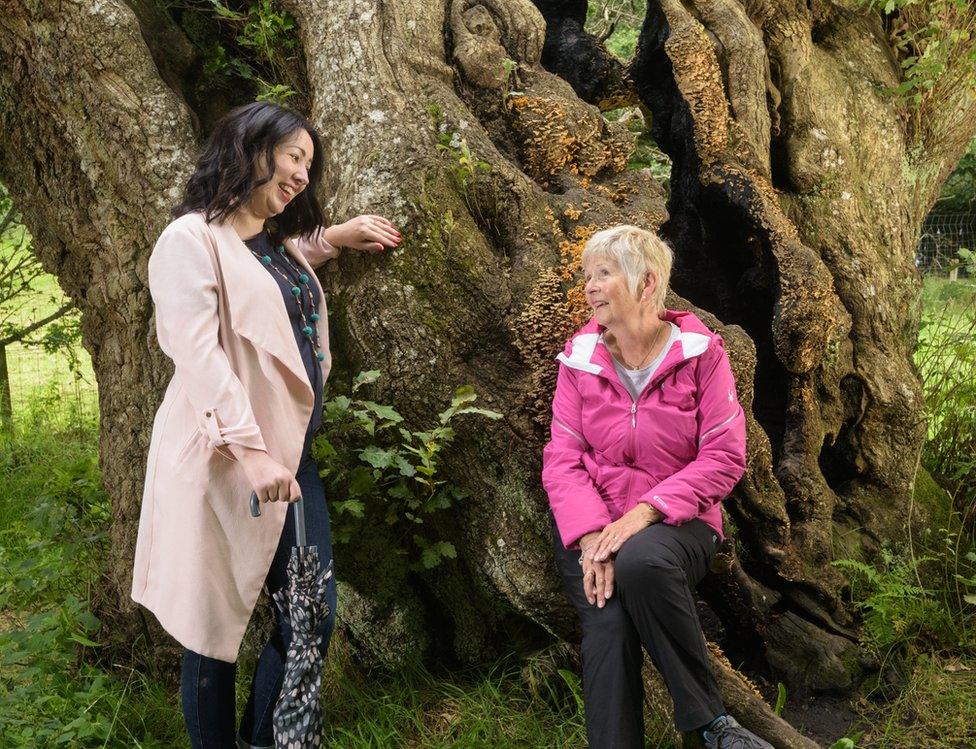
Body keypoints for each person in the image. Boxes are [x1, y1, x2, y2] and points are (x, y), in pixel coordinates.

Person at [131, 101, 400, 748]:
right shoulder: (188, 239)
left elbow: (269, 268)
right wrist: (250, 450)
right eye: (294, 157)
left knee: (311, 616)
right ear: (252, 150)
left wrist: (332, 239)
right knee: (212, 628)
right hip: (225, 461)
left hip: (292, 460)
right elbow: (197, 354)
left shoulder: (273, 243)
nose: (304, 174)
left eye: (311, 164)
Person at [541, 225, 772, 749]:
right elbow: (562, 459)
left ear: (646, 284)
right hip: (591, 527)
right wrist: (591, 539)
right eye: (587, 276)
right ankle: (704, 731)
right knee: (609, 624)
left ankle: (708, 725)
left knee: (642, 561)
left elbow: (725, 456)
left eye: (603, 274)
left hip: (677, 523)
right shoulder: (578, 360)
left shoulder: (702, 354)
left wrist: (644, 512)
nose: (590, 287)